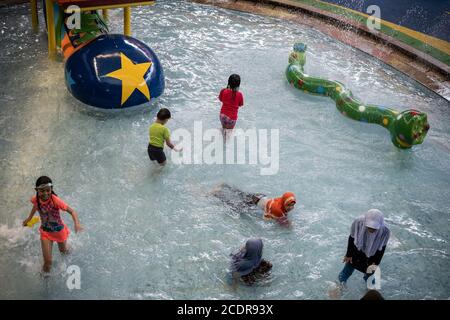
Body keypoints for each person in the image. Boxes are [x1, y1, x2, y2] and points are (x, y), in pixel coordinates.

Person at [22, 176, 83, 273]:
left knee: (64, 252)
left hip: (59, 232)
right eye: (42, 191)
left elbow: (72, 211)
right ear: (37, 190)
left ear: (51, 189)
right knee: (47, 262)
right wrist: (29, 219)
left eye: (48, 190)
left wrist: (77, 224)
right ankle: (45, 280)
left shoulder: (55, 200)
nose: (45, 193)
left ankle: (71, 248)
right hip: (45, 233)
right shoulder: (36, 199)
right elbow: (35, 206)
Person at [338, 209, 390, 286]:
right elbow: (352, 237)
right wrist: (348, 254)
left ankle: (370, 291)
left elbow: (382, 247)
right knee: (345, 272)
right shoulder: (358, 222)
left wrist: (376, 262)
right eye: (369, 226)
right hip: (357, 248)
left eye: (374, 228)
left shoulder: (385, 230)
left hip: (373, 253)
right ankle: (340, 286)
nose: (371, 229)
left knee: (370, 277)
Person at [211, 183, 296, 227]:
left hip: (260, 197)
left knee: (241, 193)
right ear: (284, 202)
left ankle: (225, 185)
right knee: (234, 206)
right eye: (289, 205)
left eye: (292, 205)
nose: (291, 208)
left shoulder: (281, 200)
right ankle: (217, 194)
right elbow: (281, 223)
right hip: (254, 203)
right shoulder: (278, 211)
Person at [218, 74, 244, 140]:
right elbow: (241, 104)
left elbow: (220, 99)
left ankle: (222, 137)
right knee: (229, 134)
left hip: (222, 115)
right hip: (232, 119)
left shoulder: (223, 91)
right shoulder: (239, 95)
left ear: (228, 82)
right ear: (238, 85)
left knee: (224, 129)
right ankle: (225, 145)